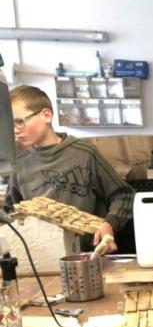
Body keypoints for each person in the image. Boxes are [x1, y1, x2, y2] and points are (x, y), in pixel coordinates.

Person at [5, 85, 133, 254]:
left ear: (46, 115)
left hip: (86, 256)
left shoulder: (84, 154)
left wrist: (110, 224)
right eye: (10, 124)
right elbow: (10, 214)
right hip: (43, 257)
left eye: (20, 121)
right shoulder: (19, 165)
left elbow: (124, 195)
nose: (15, 130)